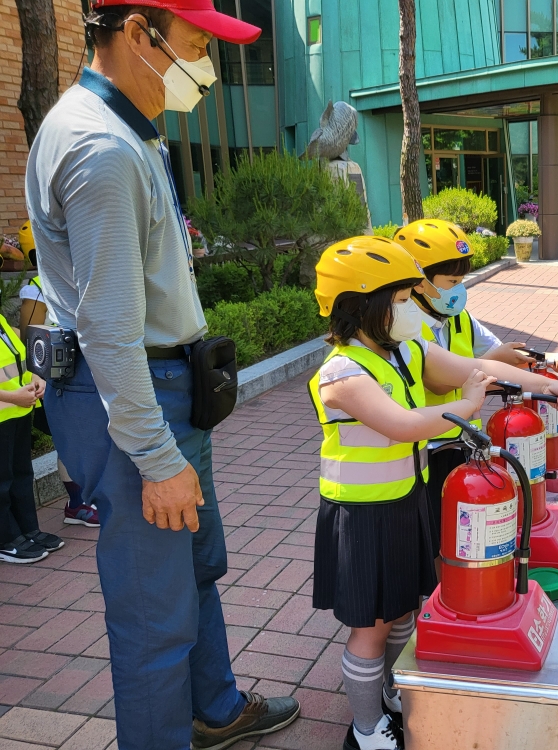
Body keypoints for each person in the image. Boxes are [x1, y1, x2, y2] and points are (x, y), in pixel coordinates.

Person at [23, 0, 299, 747]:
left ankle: (213, 710)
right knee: (154, 618)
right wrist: (154, 457)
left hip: (164, 388)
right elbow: (110, 327)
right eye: (197, 43)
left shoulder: (126, 134)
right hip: (135, 401)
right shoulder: (101, 149)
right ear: (139, 35)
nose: (205, 67)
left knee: (195, 569)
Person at [309, 236, 558, 750]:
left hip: (405, 502)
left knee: (404, 612)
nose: (412, 309)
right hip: (363, 517)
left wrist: (541, 385)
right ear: (362, 305)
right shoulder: (342, 374)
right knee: (370, 626)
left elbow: (483, 368)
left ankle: (388, 693)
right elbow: (404, 424)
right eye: (401, 300)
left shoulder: (407, 351)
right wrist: (470, 402)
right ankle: (367, 729)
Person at [392, 218, 558, 556]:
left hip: (464, 443)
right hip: (431, 449)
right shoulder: (406, 329)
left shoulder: (459, 318)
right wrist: (504, 363)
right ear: (419, 282)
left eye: (461, 280)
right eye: (452, 281)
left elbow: (502, 355)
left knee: (458, 537)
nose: (459, 288)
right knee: (441, 541)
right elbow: (442, 378)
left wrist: (547, 360)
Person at [17, 221, 100, 529]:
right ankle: (77, 503)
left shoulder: (78, 279)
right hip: (56, 375)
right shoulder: (38, 288)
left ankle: (91, 496)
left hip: (87, 369)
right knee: (68, 438)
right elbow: (30, 335)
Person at [0, 307, 63, 563]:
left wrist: (36, 377)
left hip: (18, 410)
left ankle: (28, 530)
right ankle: (6, 539)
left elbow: (18, 359)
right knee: (1, 480)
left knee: (22, 474)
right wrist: (12, 396)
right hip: (7, 409)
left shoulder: (2, 322)